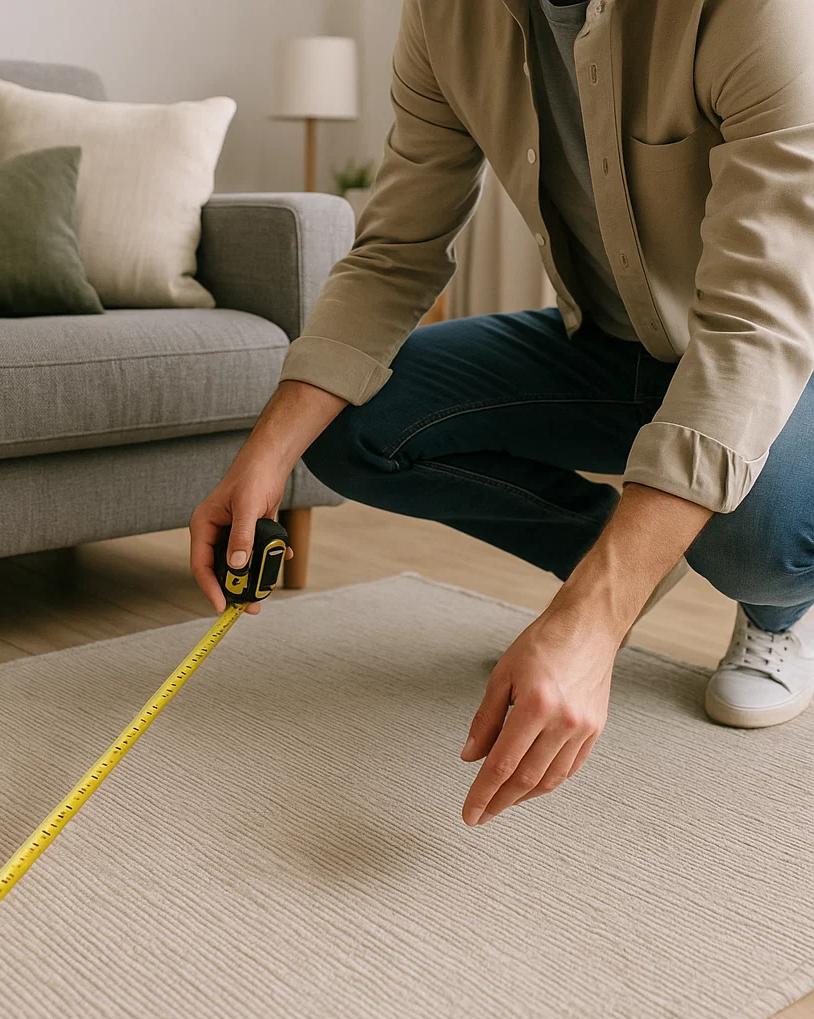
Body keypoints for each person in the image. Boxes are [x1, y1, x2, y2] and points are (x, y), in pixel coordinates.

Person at [191, 0, 814, 826]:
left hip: (783, 351)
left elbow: (754, 326)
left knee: (755, 541)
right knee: (345, 422)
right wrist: (263, 455)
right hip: (608, 345)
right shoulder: (445, 13)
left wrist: (592, 620)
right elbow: (394, 254)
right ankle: (625, 562)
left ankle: (780, 613)